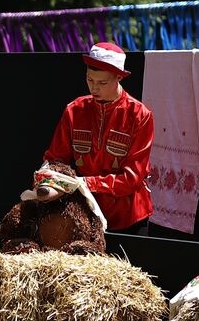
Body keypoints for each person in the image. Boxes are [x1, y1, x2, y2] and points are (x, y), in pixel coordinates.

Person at [43, 42, 154, 233]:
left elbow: (132, 180)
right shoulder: (74, 110)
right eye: (90, 80)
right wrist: (46, 176)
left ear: (119, 76)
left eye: (102, 83)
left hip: (128, 218)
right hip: (84, 215)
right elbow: (55, 159)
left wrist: (83, 183)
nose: (94, 88)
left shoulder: (140, 115)